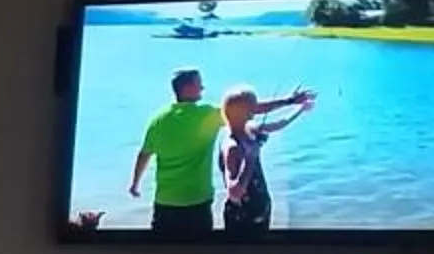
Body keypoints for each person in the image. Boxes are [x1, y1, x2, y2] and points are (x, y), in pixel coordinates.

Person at [129, 69, 312, 236]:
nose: (202, 87)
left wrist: (135, 184)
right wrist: (289, 101)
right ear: (187, 88)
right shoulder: (206, 115)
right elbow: (251, 108)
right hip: (197, 201)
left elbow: (144, 155)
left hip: (164, 202)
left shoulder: (157, 119)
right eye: (198, 83)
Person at [219, 85, 314, 237]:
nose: (256, 109)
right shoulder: (232, 146)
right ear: (245, 111)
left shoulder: (249, 129)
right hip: (243, 218)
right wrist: (250, 159)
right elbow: (234, 192)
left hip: (259, 209)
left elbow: (279, 124)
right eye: (253, 106)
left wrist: (300, 109)